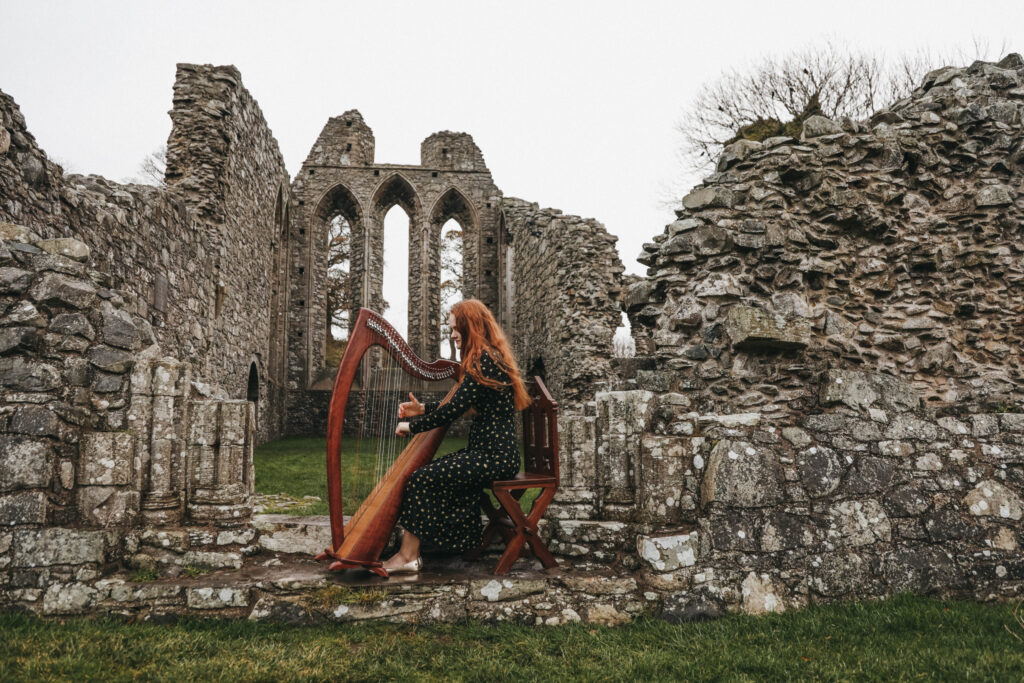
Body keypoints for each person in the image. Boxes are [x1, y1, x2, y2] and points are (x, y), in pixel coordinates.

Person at [383, 299, 532, 574]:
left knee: (421, 478)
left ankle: (408, 556)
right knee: (426, 474)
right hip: (490, 455)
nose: (452, 335)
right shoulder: (486, 358)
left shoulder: (484, 360)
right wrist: (422, 409)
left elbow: (452, 410)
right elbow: (461, 402)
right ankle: (435, 546)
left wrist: (411, 426)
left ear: (470, 326)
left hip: (495, 459)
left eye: (455, 328)